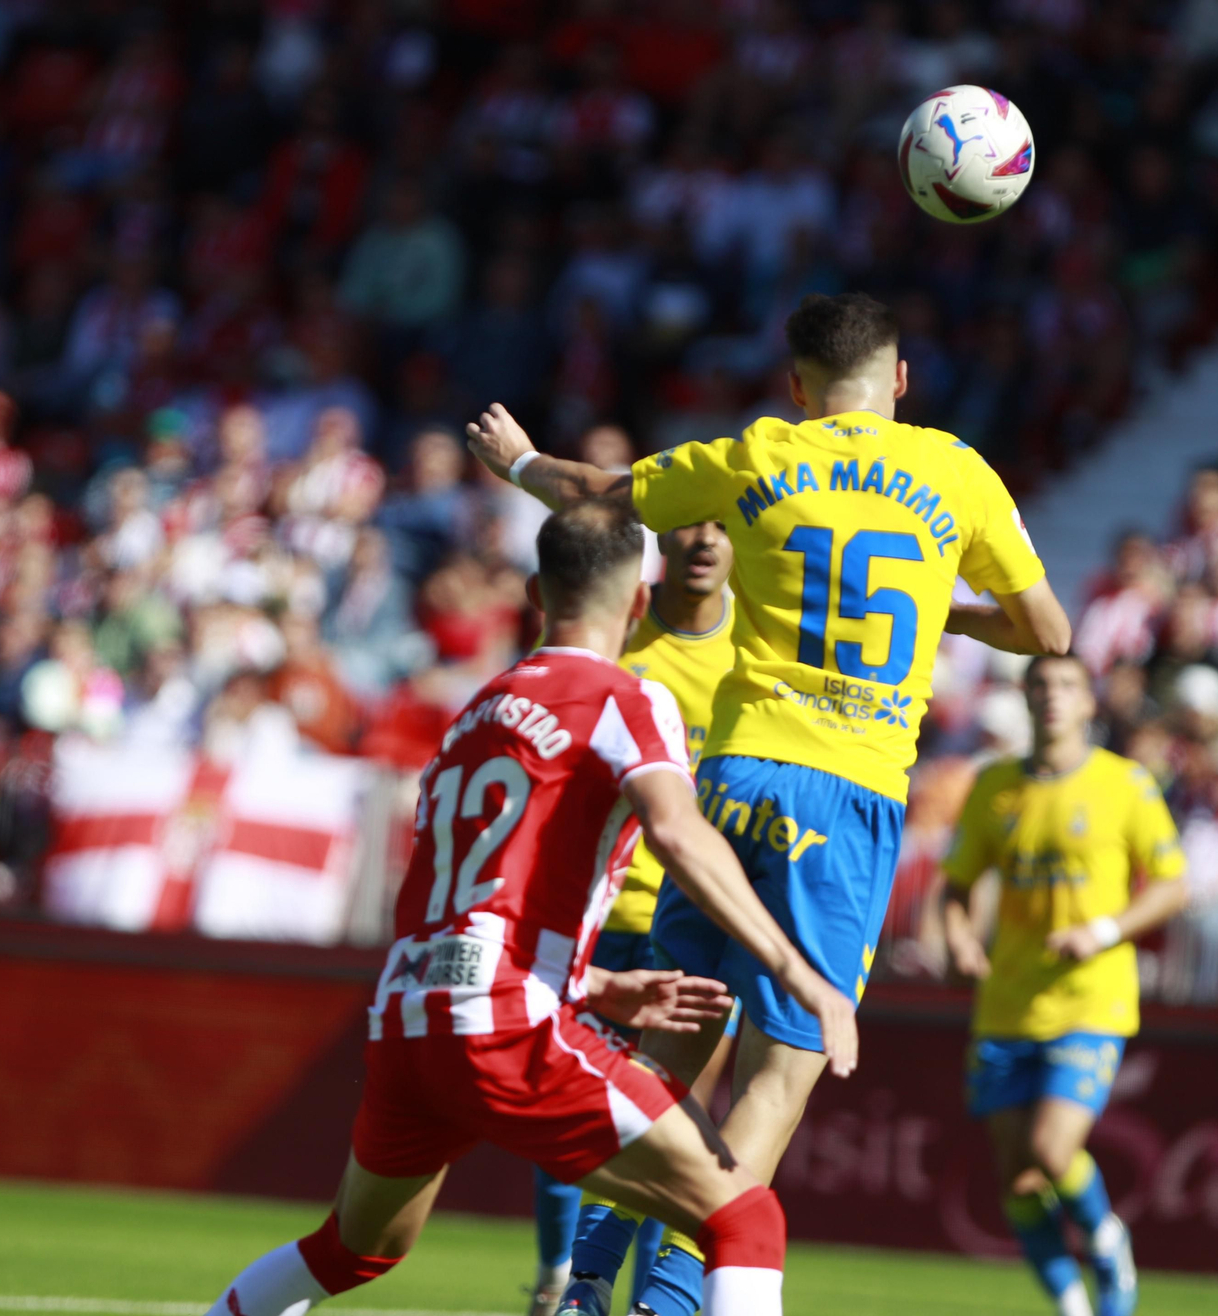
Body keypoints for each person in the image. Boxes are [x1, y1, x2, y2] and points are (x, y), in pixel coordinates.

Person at [466, 291, 1071, 1316]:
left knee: (666, 1047)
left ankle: (582, 1285)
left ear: (796, 385)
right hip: (848, 793)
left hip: (735, 779)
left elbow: (596, 492)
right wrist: (946, 616)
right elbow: (1047, 630)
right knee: (779, 1073)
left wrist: (519, 461)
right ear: (902, 379)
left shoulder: (754, 453)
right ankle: (669, 1297)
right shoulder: (957, 473)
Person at [200, 499, 857, 1316]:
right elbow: (679, 832)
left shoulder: (475, 711)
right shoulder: (626, 696)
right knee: (745, 1217)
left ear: (535, 596)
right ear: (641, 601)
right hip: (501, 1021)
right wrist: (797, 969)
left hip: (409, 1013)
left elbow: (475, 891)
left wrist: (589, 986)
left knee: (352, 1251)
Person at [532, 519, 739, 1314]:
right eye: (689, 521)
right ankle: (564, 1277)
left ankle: (612, 1290)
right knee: (572, 1117)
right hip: (600, 914)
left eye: (723, 522)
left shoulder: (752, 656)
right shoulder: (618, 642)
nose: (705, 539)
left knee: (665, 1109)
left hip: (690, 915)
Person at [941, 654, 1188, 1316]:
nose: (1052, 696)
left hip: (1090, 1000)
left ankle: (1108, 1237)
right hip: (1007, 1004)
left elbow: (1173, 884)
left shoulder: (1125, 784)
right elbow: (956, 885)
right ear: (1024, 698)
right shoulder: (994, 784)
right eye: (1040, 685)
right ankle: (1074, 1307)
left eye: (1067, 686)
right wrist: (962, 937)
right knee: (1018, 1181)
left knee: (1053, 1150)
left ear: (1089, 704)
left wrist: (1103, 931)